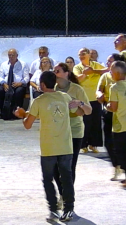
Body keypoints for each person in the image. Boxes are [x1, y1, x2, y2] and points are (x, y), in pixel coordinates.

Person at [15, 71, 77, 222]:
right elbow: (76, 111)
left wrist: (23, 115)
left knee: (48, 179)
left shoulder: (38, 101)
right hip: (66, 145)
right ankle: (69, 209)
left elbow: (28, 125)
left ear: (42, 85)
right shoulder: (65, 97)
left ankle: (54, 209)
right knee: (67, 178)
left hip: (48, 147)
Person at [97, 53, 126, 180]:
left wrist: (106, 105)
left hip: (120, 122)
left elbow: (114, 107)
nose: (108, 70)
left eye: (110, 65)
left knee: (122, 150)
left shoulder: (117, 86)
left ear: (117, 70)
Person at [53, 63, 91, 209]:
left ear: (67, 73)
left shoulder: (77, 89)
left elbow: (88, 111)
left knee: (69, 167)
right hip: (57, 132)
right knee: (55, 166)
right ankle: (63, 193)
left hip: (74, 132)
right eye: (54, 71)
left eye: (58, 71)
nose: (55, 73)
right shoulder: (53, 89)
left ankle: (66, 197)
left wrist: (79, 103)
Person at [73, 48, 107, 153]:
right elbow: (77, 78)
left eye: (83, 53)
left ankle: (94, 144)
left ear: (89, 55)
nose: (81, 56)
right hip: (84, 99)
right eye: (79, 54)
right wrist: (86, 73)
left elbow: (107, 70)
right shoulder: (77, 67)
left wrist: (94, 71)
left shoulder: (96, 65)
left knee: (95, 122)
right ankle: (83, 145)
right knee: (85, 122)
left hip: (95, 98)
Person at [0, 48, 29, 120]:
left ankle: (16, 113)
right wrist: (3, 83)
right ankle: (4, 112)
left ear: (17, 55)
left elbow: (26, 77)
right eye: (9, 55)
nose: (11, 57)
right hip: (6, 84)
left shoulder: (23, 64)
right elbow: (0, 76)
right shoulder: (4, 64)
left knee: (19, 92)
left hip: (18, 84)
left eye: (12, 55)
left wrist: (20, 83)